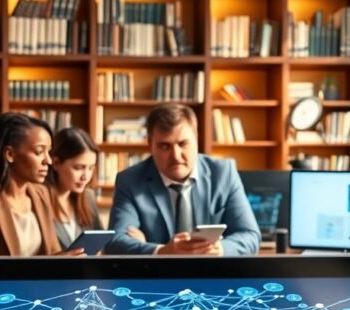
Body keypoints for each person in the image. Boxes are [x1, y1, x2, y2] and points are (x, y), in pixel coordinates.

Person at [105, 103, 260, 256]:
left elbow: (250, 236)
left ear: (196, 139)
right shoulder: (130, 180)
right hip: (157, 278)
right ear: (150, 145)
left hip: (213, 274)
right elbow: (115, 242)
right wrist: (161, 251)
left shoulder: (223, 173)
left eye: (183, 144)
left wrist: (220, 249)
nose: (176, 156)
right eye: (165, 146)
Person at [0, 113, 83, 257]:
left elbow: (52, 252)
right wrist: (54, 263)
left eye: (48, 152)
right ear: (10, 154)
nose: (48, 161)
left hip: (39, 280)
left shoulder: (41, 193)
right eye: (39, 152)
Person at [46, 127, 105, 249]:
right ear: (56, 163)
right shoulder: (39, 199)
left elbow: (101, 246)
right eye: (78, 168)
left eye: (91, 168)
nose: (86, 176)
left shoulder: (88, 197)